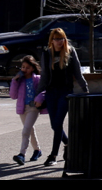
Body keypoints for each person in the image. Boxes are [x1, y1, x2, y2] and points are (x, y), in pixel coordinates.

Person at [37, 27, 89, 167]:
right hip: (51, 92)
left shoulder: (70, 52)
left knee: (58, 123)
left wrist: (85, 89)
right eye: (57, 39)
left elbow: (77, 72)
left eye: (62, 38)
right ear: (51, 41)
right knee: (54, 125)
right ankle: (68, 143)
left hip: (65, 92)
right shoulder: (47, 54)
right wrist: (37, 93)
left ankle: (53, 155)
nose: (60, 41)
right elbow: (44, 76)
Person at [10, 55, 44, 166]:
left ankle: (22, 154)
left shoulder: (37, 79)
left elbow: (44, 91)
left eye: (27, 67)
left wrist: (39, 99)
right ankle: (37, 150)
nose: (24, 70)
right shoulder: (19, 80)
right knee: (29, 129)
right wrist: (14, 81)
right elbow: (13, 96)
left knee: (26, 130)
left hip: (33, 108)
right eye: (23, 67)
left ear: (33, 68)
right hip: (22, 107)